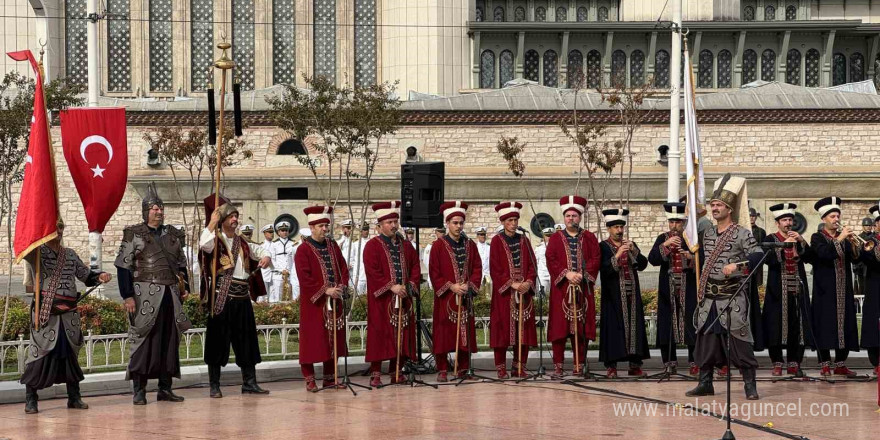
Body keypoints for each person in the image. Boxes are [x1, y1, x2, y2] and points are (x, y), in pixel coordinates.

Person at [20, 219, 111, 414]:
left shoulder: (69, 255)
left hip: (69, 315)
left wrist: (100, 276)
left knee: (70, 356)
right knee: (39, 357)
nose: (58, 230)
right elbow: (22, 247)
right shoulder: (36, 253)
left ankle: (74, 397)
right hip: (46, 315)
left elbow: (86, 276)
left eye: (60, 227)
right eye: (53, 226)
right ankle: (31, 399)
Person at [687, 174, 763, 401]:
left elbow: (758, 256)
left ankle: (750, 385)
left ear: (729, 209)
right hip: (709, 297)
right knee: (706, 342)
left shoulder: (742, 233)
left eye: (719, 205)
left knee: (740, 342)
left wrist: (738, 266)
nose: (715, 209)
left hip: (732, 298)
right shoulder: (707, 233)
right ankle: (705, 382)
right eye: (713, 205)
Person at [115, 183, 193, 405]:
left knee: (169, 342)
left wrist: (184, 287)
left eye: (160, 208)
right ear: (146, 211)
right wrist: (127, 295)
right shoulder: (133, 234)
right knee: (143, 342)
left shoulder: (174, 235)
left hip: (170, 295)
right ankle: (139, 390)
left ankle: (165, 388)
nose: (159, 211)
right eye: (154, 208)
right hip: (144, 295)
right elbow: (123, 266)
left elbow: (181, 265)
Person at [199, 195, 272, 398]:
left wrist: (266, 256)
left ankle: (249, 382)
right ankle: (214, 385)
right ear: (222, 220)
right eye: (231, 216)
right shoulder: (215, 240)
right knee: (217, 342)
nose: (235, 219)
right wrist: (212, 223)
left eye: (236, 216)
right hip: (222, 296)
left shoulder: (243, 242)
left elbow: (263, 249)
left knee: (246, 341)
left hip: (241, 297)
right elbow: (203, 245)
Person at [363, 201, 421, 386]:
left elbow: (415, 266)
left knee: (402, 334)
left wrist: (409, 285)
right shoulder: (372, 246)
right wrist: (391, 286)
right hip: (383, 300)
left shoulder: (406, 245)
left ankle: (397, 370)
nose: (394, 225)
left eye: (396, 221)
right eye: (390, 222)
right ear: (380, 225)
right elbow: (372, 271)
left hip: (403, 298)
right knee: (380, 335)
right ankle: (376, 373)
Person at [295, 206, 349, 391]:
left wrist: (340, 287)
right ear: (312, 227)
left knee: (332, 340)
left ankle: (330, 377)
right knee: (312, 340)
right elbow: (305, 277)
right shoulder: (303, 249)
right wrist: (325, 290)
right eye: (321, 226)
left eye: (326, 225)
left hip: (335, 300)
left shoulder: (333, 246)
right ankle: (309, 378)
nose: (325, 229)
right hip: (314, 303)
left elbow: (343, 268)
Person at [546, 195, 600, 379]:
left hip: (582, 289)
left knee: (581, 329)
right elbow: (551, 259)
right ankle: (558, 366)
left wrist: (583, 275)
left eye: (574, 216)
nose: (571, 219)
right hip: (562, 291)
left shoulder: (589, 238)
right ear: (564, 218)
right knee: (559, 329)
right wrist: (567, 274)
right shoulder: (555, 238)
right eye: (568, 216)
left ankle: (579, 364)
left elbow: (595, 258)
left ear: (580, 218)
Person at [429, 202, 483, 381]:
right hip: (446, 297)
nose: (458, 226)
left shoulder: (470, 245)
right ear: (447, 223)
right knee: (444, 333)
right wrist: (451, 286)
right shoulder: (438, 246)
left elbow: (477, 267)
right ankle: (443, 369)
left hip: (465, 296)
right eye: (455, 223)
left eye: (461, 223)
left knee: (465, 332)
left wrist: (469, 285)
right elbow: (434, 272)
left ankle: (464, 368)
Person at [811, 196, 861, 378]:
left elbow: (855, 259)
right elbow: (824, 254)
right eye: (832, 216)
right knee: (824, 324)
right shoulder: (817, 237)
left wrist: (855, 244)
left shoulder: (845, 238)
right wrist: (840, 238)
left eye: (837, 216)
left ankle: (840, 363)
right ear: (824, 218)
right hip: (825, 290)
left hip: (844, 288)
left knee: (846, 324)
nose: (836, 219)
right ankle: (825, 363)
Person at [762, 203, 814, 377]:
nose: (788, 223)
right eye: (784, 220)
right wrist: (785, 245)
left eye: (790, 219)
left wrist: (801, 241)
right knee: (775, 325)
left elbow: (811, 258)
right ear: (778, 223)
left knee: (796, 326)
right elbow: (768, 259)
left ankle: (794, 362)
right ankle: (777, 362)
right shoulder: (771, 239)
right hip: (777, 291)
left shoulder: (798, 239)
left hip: (797, 289)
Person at [598, 208, 650, 378]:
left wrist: (634, 250)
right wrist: (618, 255)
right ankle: (611, 366)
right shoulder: (603, 247)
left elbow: (642, 265)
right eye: (616, 228)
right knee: (613, 328)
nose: (619, 231)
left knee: (634, 328)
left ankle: (635, 365)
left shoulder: (630, 244)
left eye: (621, 227)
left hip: (632, 293)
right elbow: (604, 270)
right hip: (612, 295)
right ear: (609, 228)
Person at [648, 202, 698, 375]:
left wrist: (692, 258)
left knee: (692, 321)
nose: (674, 225)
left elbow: (703, 261)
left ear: (683, 223)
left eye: (677, 222)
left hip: (688, 286)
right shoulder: (662, 238)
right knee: (667, 323)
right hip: (667, 287)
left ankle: (694, 360)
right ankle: (669, 361)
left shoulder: (692, 238)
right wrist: (666, 245)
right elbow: (652, 259)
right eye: (672, 222)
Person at [489, 202, 538, 378]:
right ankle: (501, 367)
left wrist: (529, 282)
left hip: (524, 293)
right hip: (505, 295)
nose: (514, 223)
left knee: (523, 331)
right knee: (502, 330)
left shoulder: (524, 240)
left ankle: (519, 367)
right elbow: (495, 268)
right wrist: (512, 283)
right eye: (510, 220)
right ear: (503, 222)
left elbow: (533, 265)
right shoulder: (496, 241)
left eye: (516, 219)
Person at [861, 204, 880, 376]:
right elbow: (868, 260)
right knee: (874, 322)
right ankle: (876, 362)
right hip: (875, 287)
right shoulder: (871, 242)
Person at [854, 217, 874, 297]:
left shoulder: (874, 237)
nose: (868, 227)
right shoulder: (859, 237)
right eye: (866, 225)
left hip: (872, 265)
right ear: (863, 226)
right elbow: (856, 253)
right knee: (862, 287)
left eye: (870, 225)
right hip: (861, 266)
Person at [349, 223, 370, 294]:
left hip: (369, 274)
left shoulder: (371, 243)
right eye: (364, 230)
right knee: (358, 295)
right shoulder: (355, 244)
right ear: (360, 231)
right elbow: (351, 258)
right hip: (359, 274)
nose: (366, 231)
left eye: (367, 229)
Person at [749, 207, 767, 287]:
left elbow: (763, 246)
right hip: (745, 260)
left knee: (758, 284)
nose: (751, 218)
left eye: (753, 216)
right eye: (750, 216)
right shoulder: (741, 230)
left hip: (757, 260)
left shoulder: (761, 231)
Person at [535, 227, 553, 296]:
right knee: (542, 295)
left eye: (551, 235)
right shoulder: (539, 248)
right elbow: (536, 261)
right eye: (547, 235)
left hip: (552, 274)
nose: (549, 237)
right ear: (543, 236)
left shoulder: (556, 247)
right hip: (542, 274)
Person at [259, 224, 275, 302]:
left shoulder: (276, 245)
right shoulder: (261, 246)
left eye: (272, 232)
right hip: (264, 273)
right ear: (265, 233)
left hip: (274, 273)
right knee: (263, 296)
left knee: (273, 297)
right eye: (269, 232)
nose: (272, 234)